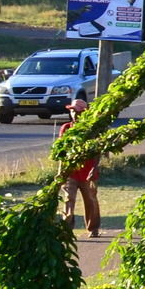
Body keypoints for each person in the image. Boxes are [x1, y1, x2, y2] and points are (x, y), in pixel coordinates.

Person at [56, 98, 102, 238]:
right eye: (72, 111)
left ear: (84, 113)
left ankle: (93, 228)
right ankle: (67, 229)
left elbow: (97, 151)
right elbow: (61, 152)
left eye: (77, 111)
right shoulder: (66, 128)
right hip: (71, 172)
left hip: (88, 172)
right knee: (69, 200)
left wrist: (94, 168)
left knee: (91, 200)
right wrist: (60, 172)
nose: (74, 114)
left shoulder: (92, 130)